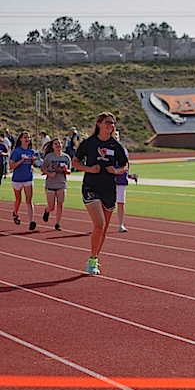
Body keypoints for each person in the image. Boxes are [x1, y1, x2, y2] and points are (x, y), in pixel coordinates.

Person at [72, 113, 128, 275]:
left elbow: (125, 165)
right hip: (91, 187)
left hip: (109, 189)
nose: (110, 125)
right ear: (99, 124)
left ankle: (95, 257)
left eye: (112, 123)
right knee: (99, 224)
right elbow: (75, 162)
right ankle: (92, 259)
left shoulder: (115, 145)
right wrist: (89, 169)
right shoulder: (89, 143)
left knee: (103, 229)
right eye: (107, 122)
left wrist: (116, 171)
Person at [9, 131, 37, 230]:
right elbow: (11, 166)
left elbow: (31, 165)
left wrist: (32, 162)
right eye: (25, 137)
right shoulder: (17, 152)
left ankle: (31, 221)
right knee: (18, 200)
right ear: (20, 139)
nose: (27, 139)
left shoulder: (31, 151)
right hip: (17, 179)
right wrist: (21, 161)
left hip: (28, 178)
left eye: (28, 137)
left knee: (29, 200)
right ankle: (15, 212)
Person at [113, 130, 134, 232]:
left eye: (117, 136)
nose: (116, 138)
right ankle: (102, 224)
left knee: (121, 203)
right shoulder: (108, 149)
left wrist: (129, 175)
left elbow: (127, 164)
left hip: (121, 179)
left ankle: (121, 224)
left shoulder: (124, 150)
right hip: (110, 180)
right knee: (106, 204)